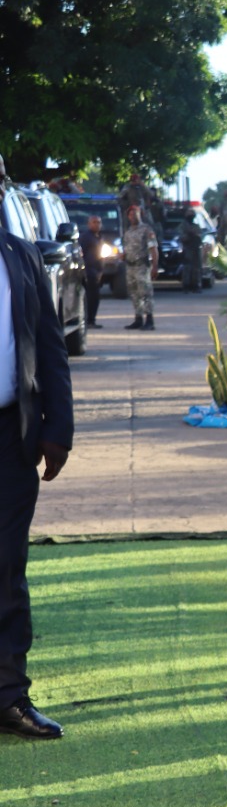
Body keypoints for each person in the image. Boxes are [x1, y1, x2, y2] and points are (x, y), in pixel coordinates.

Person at [0, 223, 75, 741]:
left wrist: (59, 428)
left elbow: (50, 344)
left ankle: (9, 697)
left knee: (6, 566)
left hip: (11, 433)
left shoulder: (21, 255)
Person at [121, 204, 158, 330]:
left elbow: (153, 249)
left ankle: (150, 320)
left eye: (135, 213)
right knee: (134, 294)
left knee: (145, 293)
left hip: (142, 266)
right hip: (130, 266)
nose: (133, 216)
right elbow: (126, 248)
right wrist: (123, 256)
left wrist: (155, 266)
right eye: (130, 214)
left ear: (140, 214)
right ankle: (138, 318)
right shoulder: (128, 232)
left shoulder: (147, 230)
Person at [80, 215, 104, 329]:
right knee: (90, 298)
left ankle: (92, 320)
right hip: (89, 272)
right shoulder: (86, 237)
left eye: (99, 222)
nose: (97, 224)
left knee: (95, 298)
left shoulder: (98, 237)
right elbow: (81, 254)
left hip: (96, 272)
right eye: (94, 222)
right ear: (89, 224)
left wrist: (100, 271)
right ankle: (88, 320)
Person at [179, 211, 204, 294]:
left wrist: (195, 235)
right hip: (187, 249)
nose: (191, 217)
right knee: (187, 268)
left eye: (192, 216)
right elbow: (181, 237)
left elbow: (200, 236)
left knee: (196, 269)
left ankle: (196, 285)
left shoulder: (196, 226)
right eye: (190, 216)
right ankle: (186, 286)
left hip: (196, 249)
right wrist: (189, 236)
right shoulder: (182, 226)